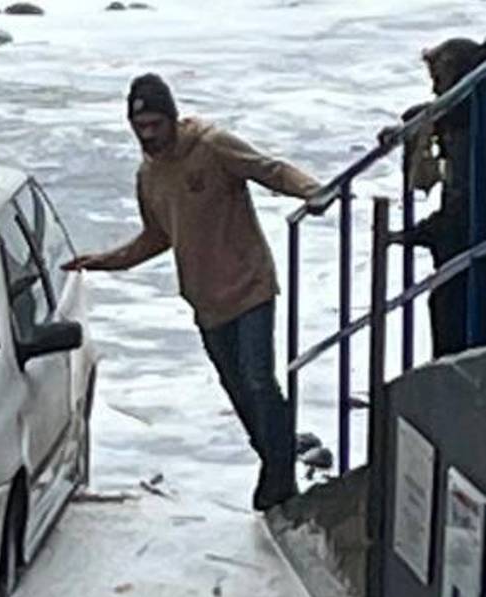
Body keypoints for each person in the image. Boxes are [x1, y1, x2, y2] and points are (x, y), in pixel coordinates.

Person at [63, 74, 322, 511]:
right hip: (204, 298)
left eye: (154, 124)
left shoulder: (213, 145)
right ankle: (273, 457)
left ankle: (280, 478)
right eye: (139, 126)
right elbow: (156, 236)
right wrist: (105, 261)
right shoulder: (148, 176)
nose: (148, 135)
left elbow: (268, 168)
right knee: (236, 387)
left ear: (171, 117)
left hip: (250, 284)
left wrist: (313, 191)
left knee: (259, 381)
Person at [386, 38, 486, 358]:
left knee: (452, 309)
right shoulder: (462, 121)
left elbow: (463, 208)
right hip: (462, 238)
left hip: (468, 244)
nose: (434, 92)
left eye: (438, 81)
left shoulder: (469, 120)